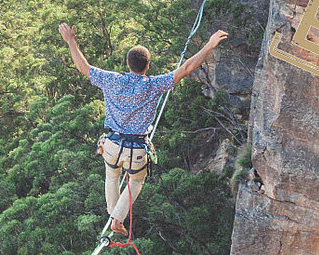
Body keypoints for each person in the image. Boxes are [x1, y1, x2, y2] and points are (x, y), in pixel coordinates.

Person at [58, 23, 228, 236]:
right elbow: (186, 68)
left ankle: (114, 214)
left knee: (112, 176)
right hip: (136, 149)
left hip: (111, 144)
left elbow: (84, 67)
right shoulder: (154, 84)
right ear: (148, 66)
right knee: (136, 181)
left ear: (127, 63)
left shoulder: (111, 80)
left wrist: (71, 41)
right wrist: (209, 45)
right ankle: (117, 219)